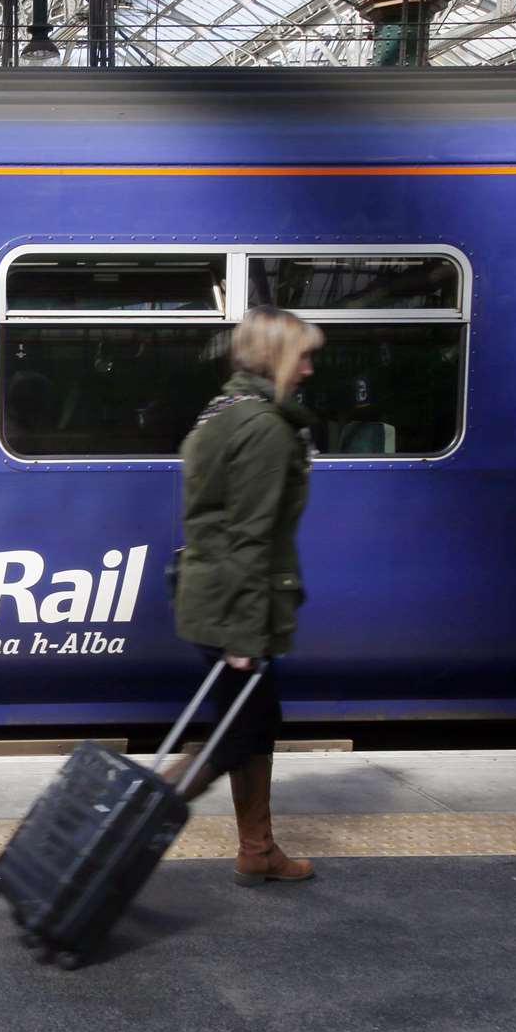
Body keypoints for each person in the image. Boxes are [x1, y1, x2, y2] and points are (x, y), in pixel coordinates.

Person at [166, 306, 323, 887]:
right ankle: (140, 811)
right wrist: (242, 636)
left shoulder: (220, 413)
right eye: (303, 355)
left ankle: (258, 848)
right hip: (236, 606)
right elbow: (250, 536)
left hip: (212, 596)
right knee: (242, 731)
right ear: (276, 357)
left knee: (256, 722)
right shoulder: (265, 428)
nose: (309, 369)